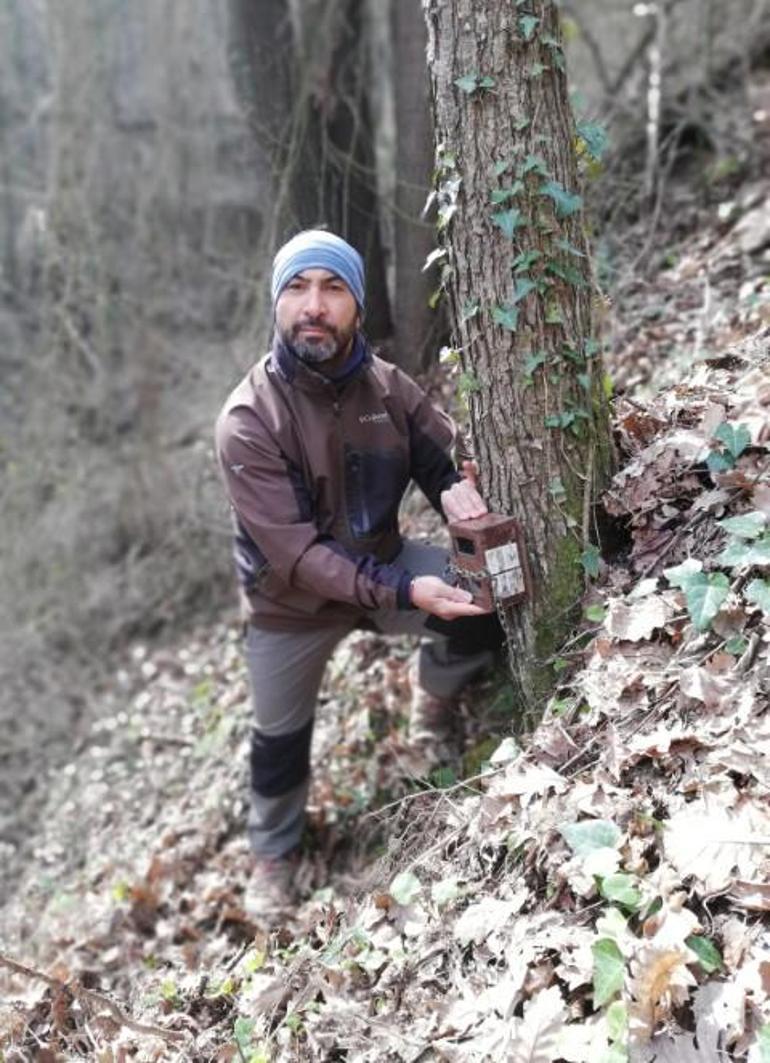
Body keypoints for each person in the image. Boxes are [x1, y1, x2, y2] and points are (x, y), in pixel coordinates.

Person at [215, 230, 502, 920]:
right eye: (298, 288)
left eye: (333, 288)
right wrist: (404, 589)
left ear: (356, 305)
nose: (314, 306)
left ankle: (432, 704)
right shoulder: (248, 420)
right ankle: (273, 854)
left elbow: (439, 454)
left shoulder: (388, 387)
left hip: (380, 563)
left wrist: (460, 490)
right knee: (279, 741)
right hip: (293, 604)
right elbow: (300, 556)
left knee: (483, 596)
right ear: (277, 303)